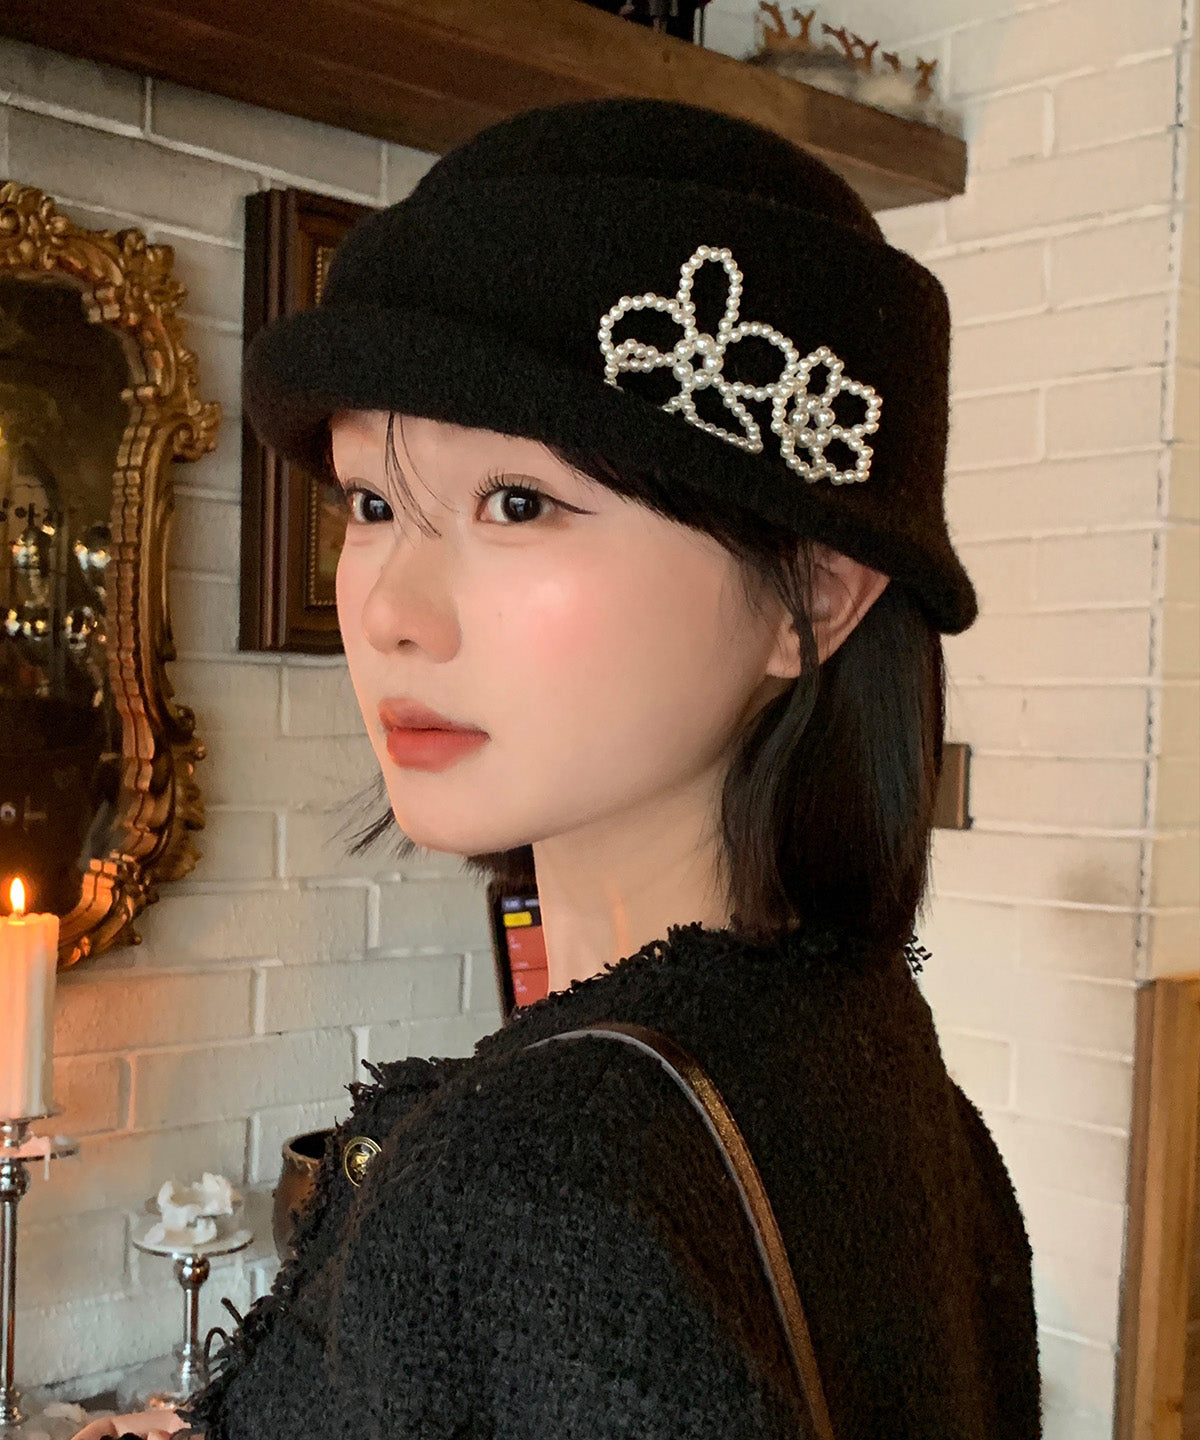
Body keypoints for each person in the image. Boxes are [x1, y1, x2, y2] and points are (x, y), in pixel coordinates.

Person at [74, 97, 1041, 1439]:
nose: (391, 611)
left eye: (517, 503)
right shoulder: (892, 1092)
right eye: (371, 504)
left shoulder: (540, 1178)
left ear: (812, 595)